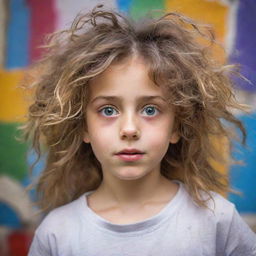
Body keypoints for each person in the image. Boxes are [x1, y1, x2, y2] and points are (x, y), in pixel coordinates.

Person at [25, 5, 256, 256]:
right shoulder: (57, 234)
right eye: (108, 110)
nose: (129, 129)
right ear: (84, 127)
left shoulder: (217, 222)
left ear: (176, 126)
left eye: (150, 110)